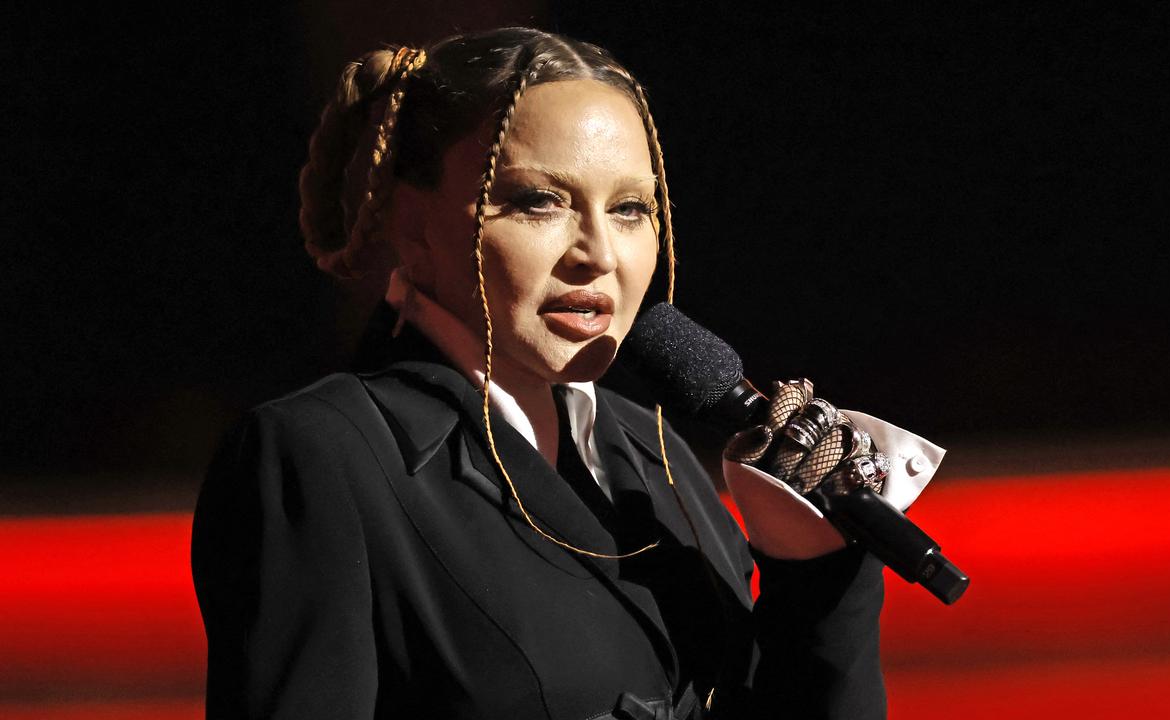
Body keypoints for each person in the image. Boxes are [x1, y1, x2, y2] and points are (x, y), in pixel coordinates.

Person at [192, 26, 941, 720]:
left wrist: (812, 575)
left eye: (629, 209)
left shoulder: (658, 457)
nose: (598, 254)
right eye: (539, 201)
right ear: (413, 229)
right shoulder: (319, 457)